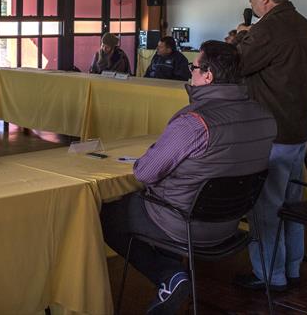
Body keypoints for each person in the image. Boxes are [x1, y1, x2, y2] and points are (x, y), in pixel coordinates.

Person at [101, 41, 276, 314]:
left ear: (208, 76)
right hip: (231, 224)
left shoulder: (194, 122)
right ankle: (172, 275)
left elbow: (145, 172)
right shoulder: (265, 116)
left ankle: (168, 275)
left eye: (194, 68)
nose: (189, 74)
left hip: (183, 223)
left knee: (107, 214)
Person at [234, 0, 307, 292]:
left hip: (272, 131)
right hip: (299, 128)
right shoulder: (303, 24)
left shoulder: (267, 29)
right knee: (292, 207)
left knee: (266, 210)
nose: (251, 1)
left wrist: (243, 36)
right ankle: (293, 267)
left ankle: (271, 276)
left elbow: (237, 64)